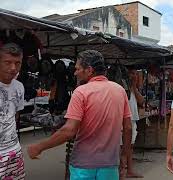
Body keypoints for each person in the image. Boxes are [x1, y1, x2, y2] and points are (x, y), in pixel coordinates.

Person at [27, 50, 133, 180]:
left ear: (89, 70)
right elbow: (128, 128)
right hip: (110, 164)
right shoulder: (120, 90)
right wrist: (124, 155)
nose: (75, 72)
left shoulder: (81, 92)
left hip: (84, 165)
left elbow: (69, 131)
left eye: (77, 69)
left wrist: (40, 146)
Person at [0, 43, 25, 179]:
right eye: (7, 62)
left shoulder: (19, 87)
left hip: (14, 150)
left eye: (17, 63)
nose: (13, 68)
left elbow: (15, 115)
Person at [120, 68, 144, 178]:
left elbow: (141, 101)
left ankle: (129, 170)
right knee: (123, 147)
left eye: (135, 74)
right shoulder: (121, 88)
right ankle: (122, 171)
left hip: (133, 119)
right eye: (132, 74)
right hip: (123, 120)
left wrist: (134, 86)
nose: (134, 76)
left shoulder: (133, 88)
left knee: (130, 146)